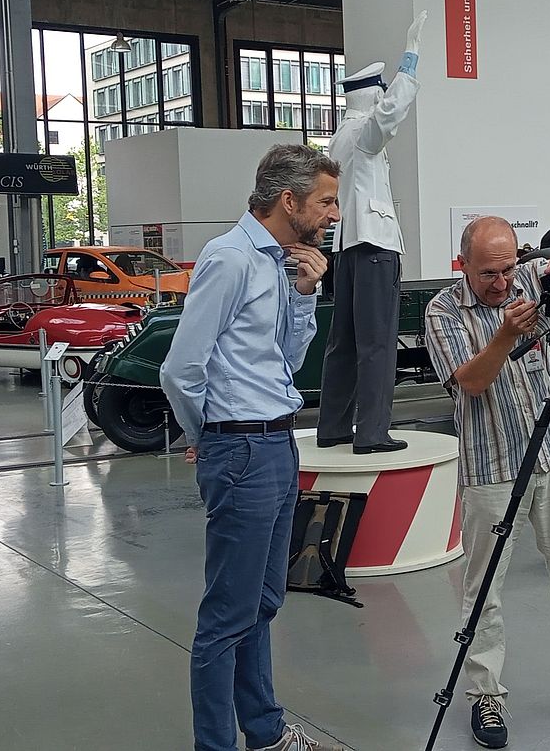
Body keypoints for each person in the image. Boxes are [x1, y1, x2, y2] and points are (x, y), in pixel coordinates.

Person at [160, 144, 344, 751]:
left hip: (275, 444)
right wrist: (205, 435)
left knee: (262, 602)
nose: (334, 213)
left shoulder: (277, 263)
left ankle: (263, 731)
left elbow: (282, 365)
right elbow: (181, 369)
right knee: (226, 618)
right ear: (288, 201)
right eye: (326, 201)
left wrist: (304, 295)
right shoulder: (231, 258)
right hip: (241, 450)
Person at [425, 216, 550, 749]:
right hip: (492, 466)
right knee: (484, 587)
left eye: (508, 268)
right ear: (462, 265)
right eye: (487, 273)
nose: (500, 282)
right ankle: (486, 695)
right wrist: (505, 336)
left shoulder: (535, 277)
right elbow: (469, 382)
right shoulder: (442, 311)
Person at [316, 11, 427, 455]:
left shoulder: (339, 136)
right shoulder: (364, 130)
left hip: (346, 248)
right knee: (378, 343)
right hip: (375, 245)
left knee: (342, 341)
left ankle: (334, 427)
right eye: (380, 91)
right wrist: (411, 58)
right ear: (371, 95)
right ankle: (373, 433)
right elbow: (390, 113)